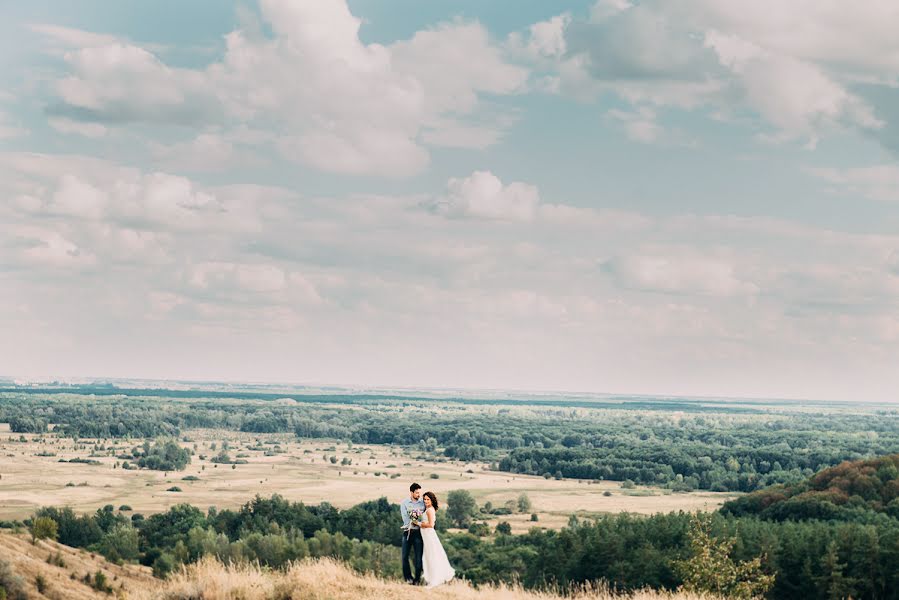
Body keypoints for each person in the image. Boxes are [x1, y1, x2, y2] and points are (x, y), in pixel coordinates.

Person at [418, 491, 455, 587]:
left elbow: (431, 525)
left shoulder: (430, 510)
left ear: (431, 500)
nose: (425, 501)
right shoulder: (428, 509)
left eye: (427, 499)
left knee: (431, 556)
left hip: (429, 535)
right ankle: (431, 578)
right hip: (426, 535)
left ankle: (434, 579)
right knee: (428, 556)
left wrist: (418, 524)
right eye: (424, 499)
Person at [400, 482, 425, 584]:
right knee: (404, 556)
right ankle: (408, 578)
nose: (419, 495)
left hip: (418, 533)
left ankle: (417, 580)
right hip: (407, 532)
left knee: (418, 558)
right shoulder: (404, 503)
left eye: (420, 493)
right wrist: (418, 513)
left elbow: (425, 516)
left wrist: (415, 514)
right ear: (411, 492)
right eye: (417, 493)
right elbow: (407, 518)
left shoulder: (422, 503)